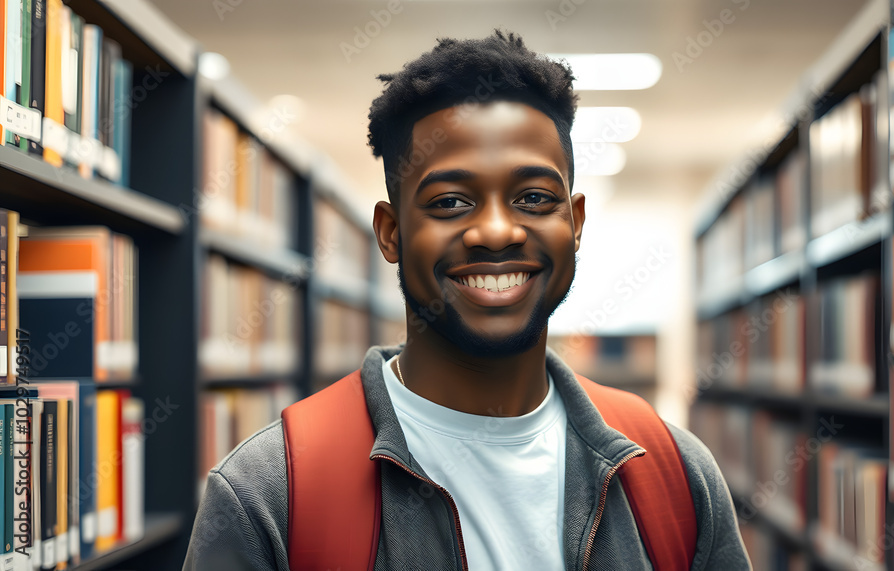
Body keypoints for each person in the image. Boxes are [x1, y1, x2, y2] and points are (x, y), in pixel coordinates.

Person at [183, 30, 750, 570]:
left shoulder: (675, 475)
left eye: (533, 197)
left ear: (575, 224)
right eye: (451, 202)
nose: (497, 232)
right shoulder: (269, 495)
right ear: (391, 232)